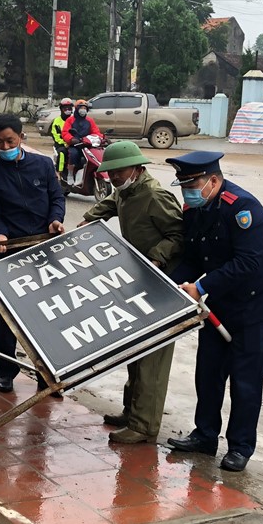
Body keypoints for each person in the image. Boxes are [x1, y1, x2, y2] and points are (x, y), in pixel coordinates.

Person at [164, 151, 263, 472]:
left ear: (214, 181)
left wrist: (201, 288)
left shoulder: (244, 209)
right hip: (220, 296)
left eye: (191, 184)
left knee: (245, 377)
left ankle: (240, 446)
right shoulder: (195, 210)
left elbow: (248, 262)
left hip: (257, 301)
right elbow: (194, 258)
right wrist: (170, 282)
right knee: (208, 369)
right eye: (183, 185)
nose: (187, 191)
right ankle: (205, 435)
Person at [80, 141, 184, 443]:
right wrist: (90, 217)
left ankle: (144, 426)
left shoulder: (154, 195)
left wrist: (157, 256)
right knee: (135, 349)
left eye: (119, 171)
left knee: (153, 355)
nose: (113, 177)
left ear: (138, 168)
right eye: (110, 172)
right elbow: (114, 201)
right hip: (138, 278)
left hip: (160, 281)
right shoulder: (128, 190)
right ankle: (131, 411)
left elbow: (179, 234)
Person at [0, 113, 66, 395]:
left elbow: (57, 197)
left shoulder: (43, 165)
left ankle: (47, 375)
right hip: (9, 251)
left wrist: (55, 219)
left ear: (21, 138)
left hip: (44, 250)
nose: (4, 148)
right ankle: (6, 371)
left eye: (9, 141)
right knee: (6, 317)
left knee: (46, 314)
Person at [61, 99, 102, 185]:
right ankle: (70, 174)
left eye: (85, 108)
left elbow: (96, 132)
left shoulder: (90, 121)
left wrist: (101, 138)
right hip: (75, 145)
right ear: (76, 108)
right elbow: (65, 132)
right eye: (81, 108)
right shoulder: (70, 120)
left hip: (87, 144)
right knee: (74, 154)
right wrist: (72, 139)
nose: (83, 110)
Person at [50, 98, 73, 181]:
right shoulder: (56, 121)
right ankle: (59, 174)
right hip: (61, 144)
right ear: (61, 109)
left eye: (69, 108)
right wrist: (65, 143)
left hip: (73, 143)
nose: (67, 110)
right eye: (65, 108)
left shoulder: (74, 120)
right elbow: (56, 136)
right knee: (62, 153)